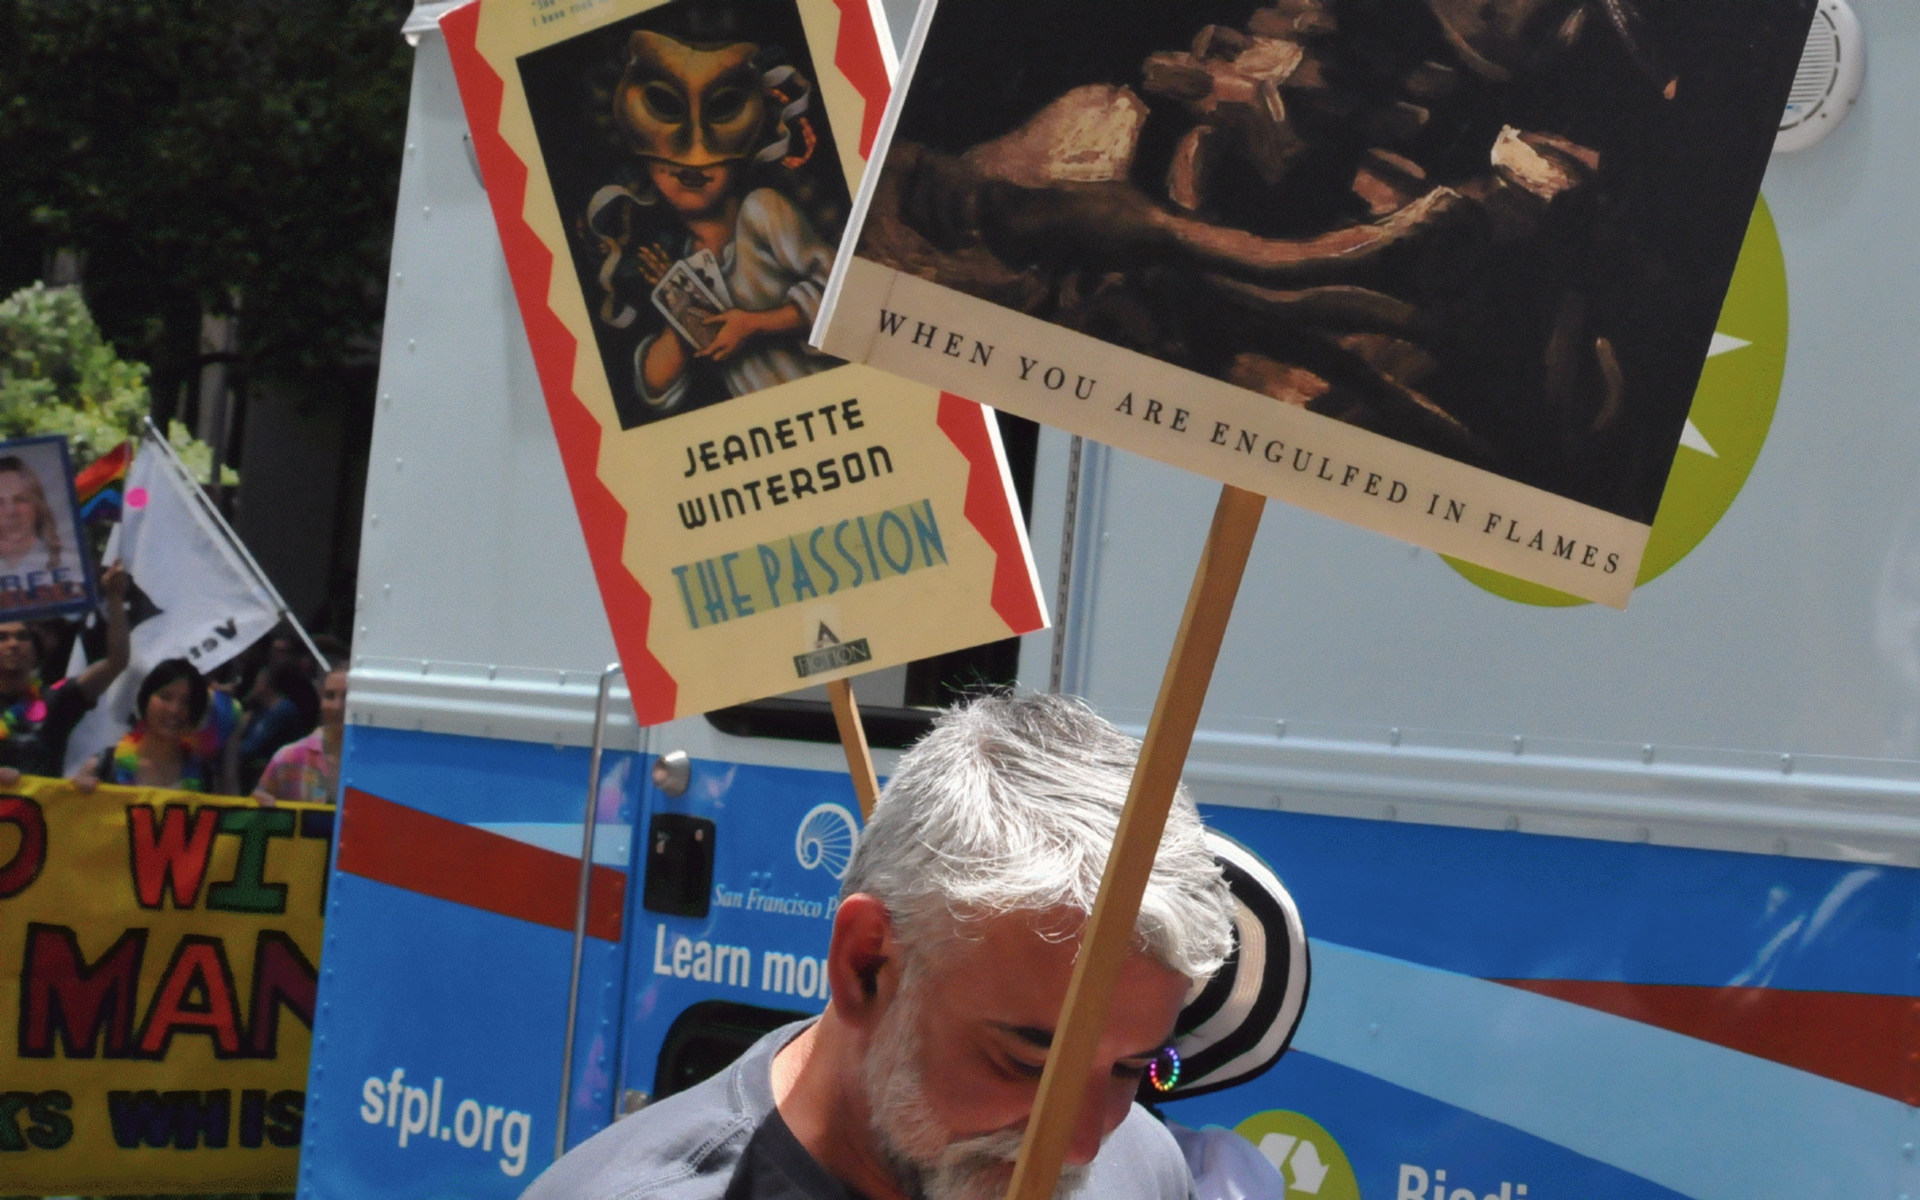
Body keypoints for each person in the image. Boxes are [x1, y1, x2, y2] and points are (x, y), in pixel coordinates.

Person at [523, 692, 1236, 1200]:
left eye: (1134, 1070)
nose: (1082, 1144)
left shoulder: (1143, 1167)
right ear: (865, 964)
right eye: (1028, 1062)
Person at [607, 17, 840, 414]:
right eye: (672, 164)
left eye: (721, 109)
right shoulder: (685, 260)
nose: (694, 155)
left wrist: (752, 324)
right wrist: (679, 306)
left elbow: (841, 297)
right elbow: (654, 386)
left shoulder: (762, 211)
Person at [0, 561, 128, 781]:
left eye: (22, 636)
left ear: (36, 651)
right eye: (2, 637)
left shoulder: (56, 700)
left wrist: (115, 598)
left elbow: (116, 662)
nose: (13, 644)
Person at [74, 658, 215, 792]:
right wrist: (77, 793)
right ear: (145, 700)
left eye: (186, 702)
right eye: (165, 697)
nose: (174, 709)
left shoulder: (204, 776)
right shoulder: (104, 766)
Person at [253, 659, 346, 805]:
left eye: (347, 697)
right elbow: (253, 815)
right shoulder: (288, 758)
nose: (337, 706)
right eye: (329, 696)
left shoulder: (378, 763)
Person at [237, 660, 319, 791]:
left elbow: (250, 749)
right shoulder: (259, 711)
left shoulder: (283, 710)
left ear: (265, 684)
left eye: (257, 682)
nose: (253, 687)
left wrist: (233, 738)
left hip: (283, 774)